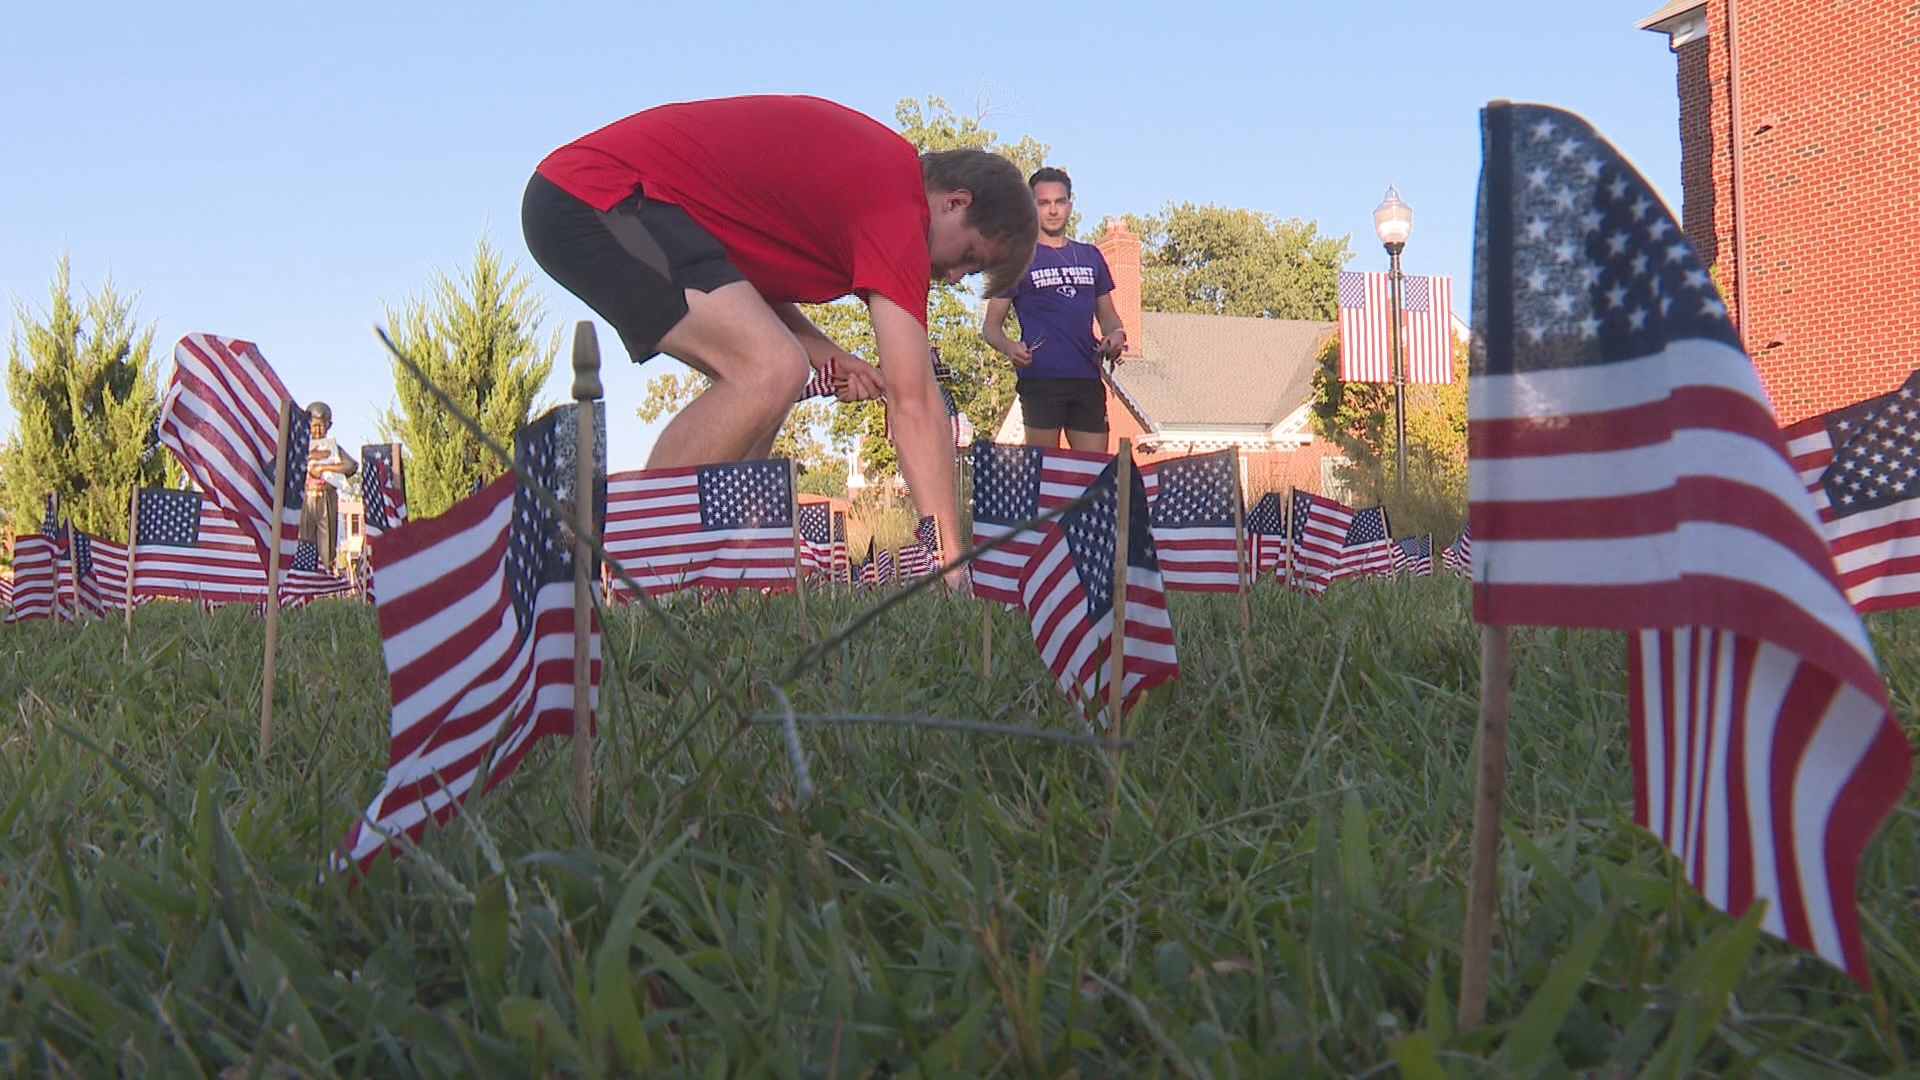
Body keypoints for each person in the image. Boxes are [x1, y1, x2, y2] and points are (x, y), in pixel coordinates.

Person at [522, 95, 1038, 568]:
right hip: (596, 196)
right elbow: (917, 402)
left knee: (772, 374)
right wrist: (950, 557)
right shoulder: (898, 206)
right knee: (769, 369)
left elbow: (755, 305)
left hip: (615, 202)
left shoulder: (869, 186)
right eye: (968, 258)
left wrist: (836, 357)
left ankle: (728, 570)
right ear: (955, 202)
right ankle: (631, 569)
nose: (951, 277)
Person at [982, 167, 1127, 452]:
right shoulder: (1017, 258)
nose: (1052, 210)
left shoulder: (1090, 256)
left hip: (1086, 376)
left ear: (1070, 205)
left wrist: (1116, 335)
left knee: (1092, 476)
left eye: (1059, 202)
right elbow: (990, 327)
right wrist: (1010, 347)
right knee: (1046, 473)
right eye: (1044, 203)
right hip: (1041, 379)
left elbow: (1108, 317)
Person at [301, 402, 357, 569]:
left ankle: (326, 576)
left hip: (327, 497)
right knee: (305, 543)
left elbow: (352, 466)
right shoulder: (301, 447)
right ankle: (305, 583)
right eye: (314, 426)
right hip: (306, 499)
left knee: (327, 544)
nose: (317, 431)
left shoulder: (333, 449)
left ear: (329, 426)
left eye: (321, 426)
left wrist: (324, 467)